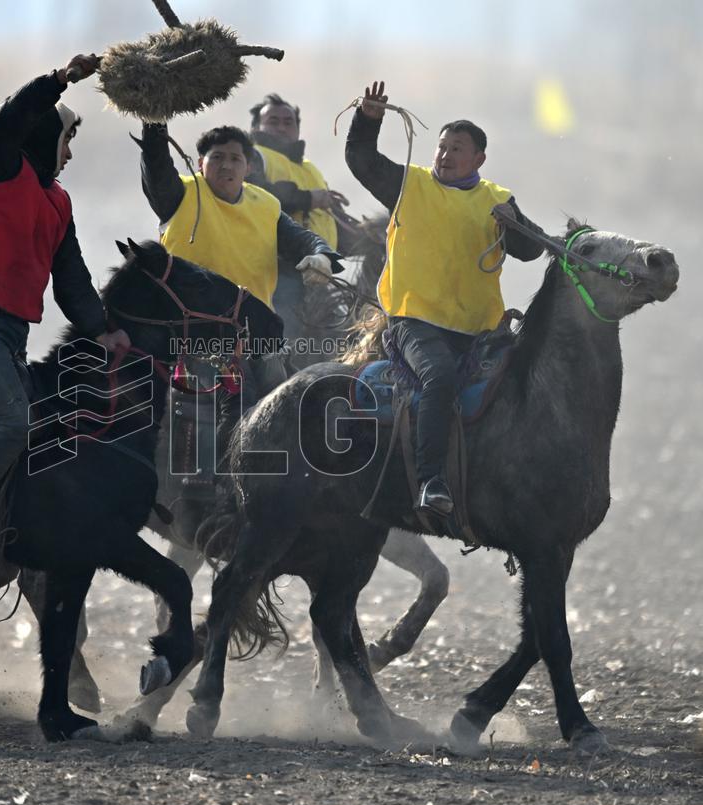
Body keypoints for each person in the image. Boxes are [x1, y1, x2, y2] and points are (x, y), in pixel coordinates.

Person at [0, 54, 130, 574]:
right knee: (12, 424)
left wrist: (104, 330)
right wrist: (59, 81)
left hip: (12, 335)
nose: (70, 154)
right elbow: (10, 117)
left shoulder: (58, 203)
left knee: (35, 429)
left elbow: (72, 279)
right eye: (68, 141)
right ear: (44, 135)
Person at [345, 80, 544, 518]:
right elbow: (360, 159)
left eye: (457, 149)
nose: (445, 155)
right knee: (439, 379)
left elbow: (533, 250)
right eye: (442, 147)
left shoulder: (496, 199)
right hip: (414, 322)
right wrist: (369, 118)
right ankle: (431, 479)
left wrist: (512, 224)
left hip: (478, 329)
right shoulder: (407, 184)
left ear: (479, 159)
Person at [136, 122, 342, 393]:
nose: (226, 165)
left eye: (236, 159)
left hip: (257, 334)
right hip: (192, 338)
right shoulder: (179, 195)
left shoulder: (266, 205)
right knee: (226, 412)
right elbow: (156, 164)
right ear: (200, 163)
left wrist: (322, 256)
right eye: (217, 157)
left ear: (249, 168)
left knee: (287, 405)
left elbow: (302, 239)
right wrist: (153, 124)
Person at [245, 93, 353, 348]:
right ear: (256, 128)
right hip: (276, 277)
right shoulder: (252, 156)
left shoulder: (310, 169)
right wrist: (306, 198)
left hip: (317, 277)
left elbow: (326, 225)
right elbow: (252, 194)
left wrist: (372, 237)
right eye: (273, 121)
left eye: (288, 122)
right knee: (287, 348)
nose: (282, 127)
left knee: (340, 344)